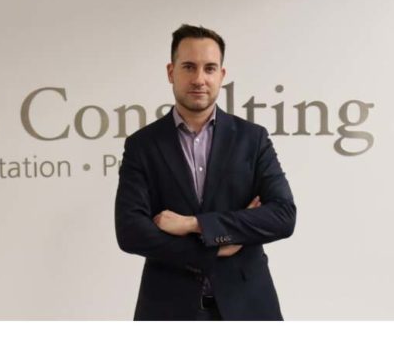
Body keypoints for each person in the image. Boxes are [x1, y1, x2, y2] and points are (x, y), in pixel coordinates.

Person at [114, 24, 296, 321]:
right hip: (168, 309)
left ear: (221, 75)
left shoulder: (253, 139)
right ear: (171, 72)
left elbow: (283, 216)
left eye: (209, 68)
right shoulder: (142, 145)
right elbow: (131, 232)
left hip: (247, 307)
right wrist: (216, 248)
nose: (199, 79)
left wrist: (194, 224)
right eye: (189, 67)